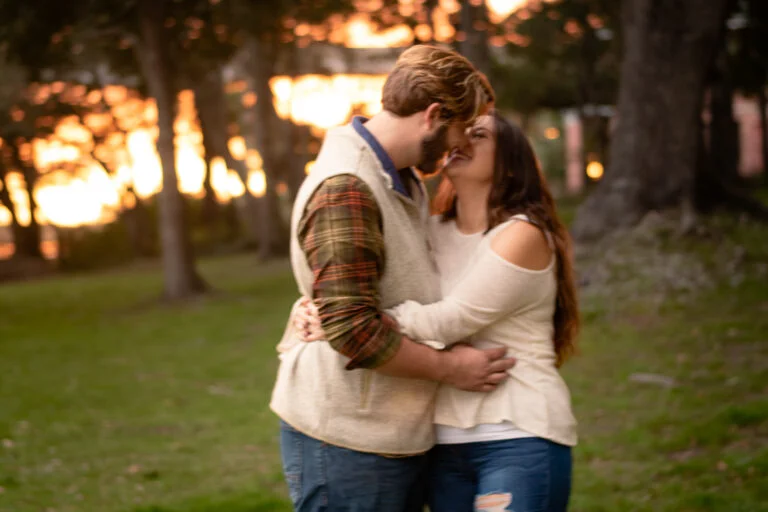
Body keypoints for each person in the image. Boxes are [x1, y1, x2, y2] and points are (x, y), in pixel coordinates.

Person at [270, 45, 514, 512]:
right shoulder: (348, 186)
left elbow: (359, 304)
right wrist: (450, 368)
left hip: (394, 432)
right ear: (434, 115)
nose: (460, 146)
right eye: (462, 129)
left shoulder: (402, 177)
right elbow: (354, 332)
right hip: (347, 440)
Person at [297, 112, 580, 512]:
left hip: (517, 434)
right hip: (443, 443)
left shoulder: (523, 234)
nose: (460, 139)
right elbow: (370, 280)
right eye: (461, 131)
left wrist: (343, 321)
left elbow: (449, 321)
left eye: (478, 134)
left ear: (510, 165)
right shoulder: (431, 230)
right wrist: (317, 308)